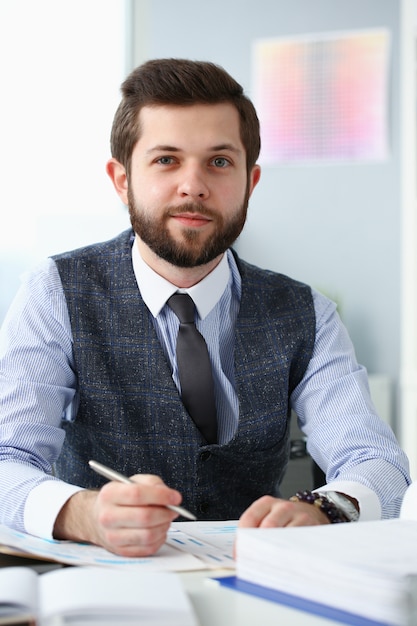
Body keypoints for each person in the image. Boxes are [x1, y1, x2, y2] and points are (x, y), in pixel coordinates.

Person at [0, 58, 410, 558]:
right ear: (121, 179)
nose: (193, 185)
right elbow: (7, 459)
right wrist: (82, 514)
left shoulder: (307, 312)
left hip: (258, 582)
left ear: (250, 181)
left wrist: (323, 508)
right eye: (166, 160)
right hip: (100, 583)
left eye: (219, 162)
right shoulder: (54, 293)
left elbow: (378, 462)